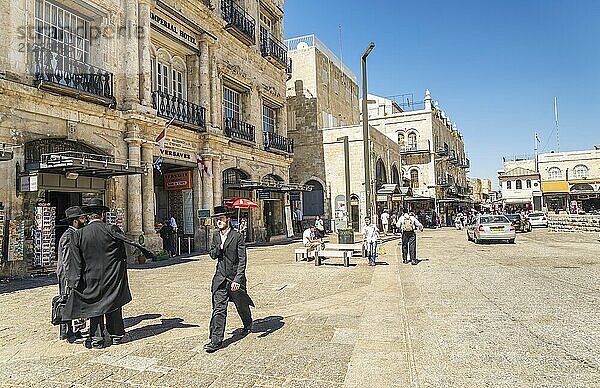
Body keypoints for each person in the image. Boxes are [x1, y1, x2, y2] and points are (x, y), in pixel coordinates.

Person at [65, 198, 153, 349]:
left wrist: (74, 281)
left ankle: (97, 339)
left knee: (94, 306)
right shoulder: (111, 229)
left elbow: (75, 261)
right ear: (103, 215)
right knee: (113, 304)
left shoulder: (78, 235)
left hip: (90, 277)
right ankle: (116, 335)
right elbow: (126, 245)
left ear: (87, 217)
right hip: (111, 276)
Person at [204, 206, 254, 353]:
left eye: (221, 218)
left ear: (228, 219)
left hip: (234, 278)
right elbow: (212, 254)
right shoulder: (215, 236)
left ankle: (248, 323)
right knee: (218, 309)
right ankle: (216, 340)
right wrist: (219, 247)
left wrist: (238, 279)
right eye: (217, 219)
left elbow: (242, 260)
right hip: (220, 279)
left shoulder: (237, 236)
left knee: (241, 305)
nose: (218, 221)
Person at [56, 206, 87, 344]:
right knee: (68, 302)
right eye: (81, 218)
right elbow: (68, 261)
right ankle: (69, 334)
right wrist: (72, 279)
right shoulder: (69, 236)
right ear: (75, 221)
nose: (84, 220)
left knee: (71, 303)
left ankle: (73, 331)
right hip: (68, 275)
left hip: (70, 274)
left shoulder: (73, 234)